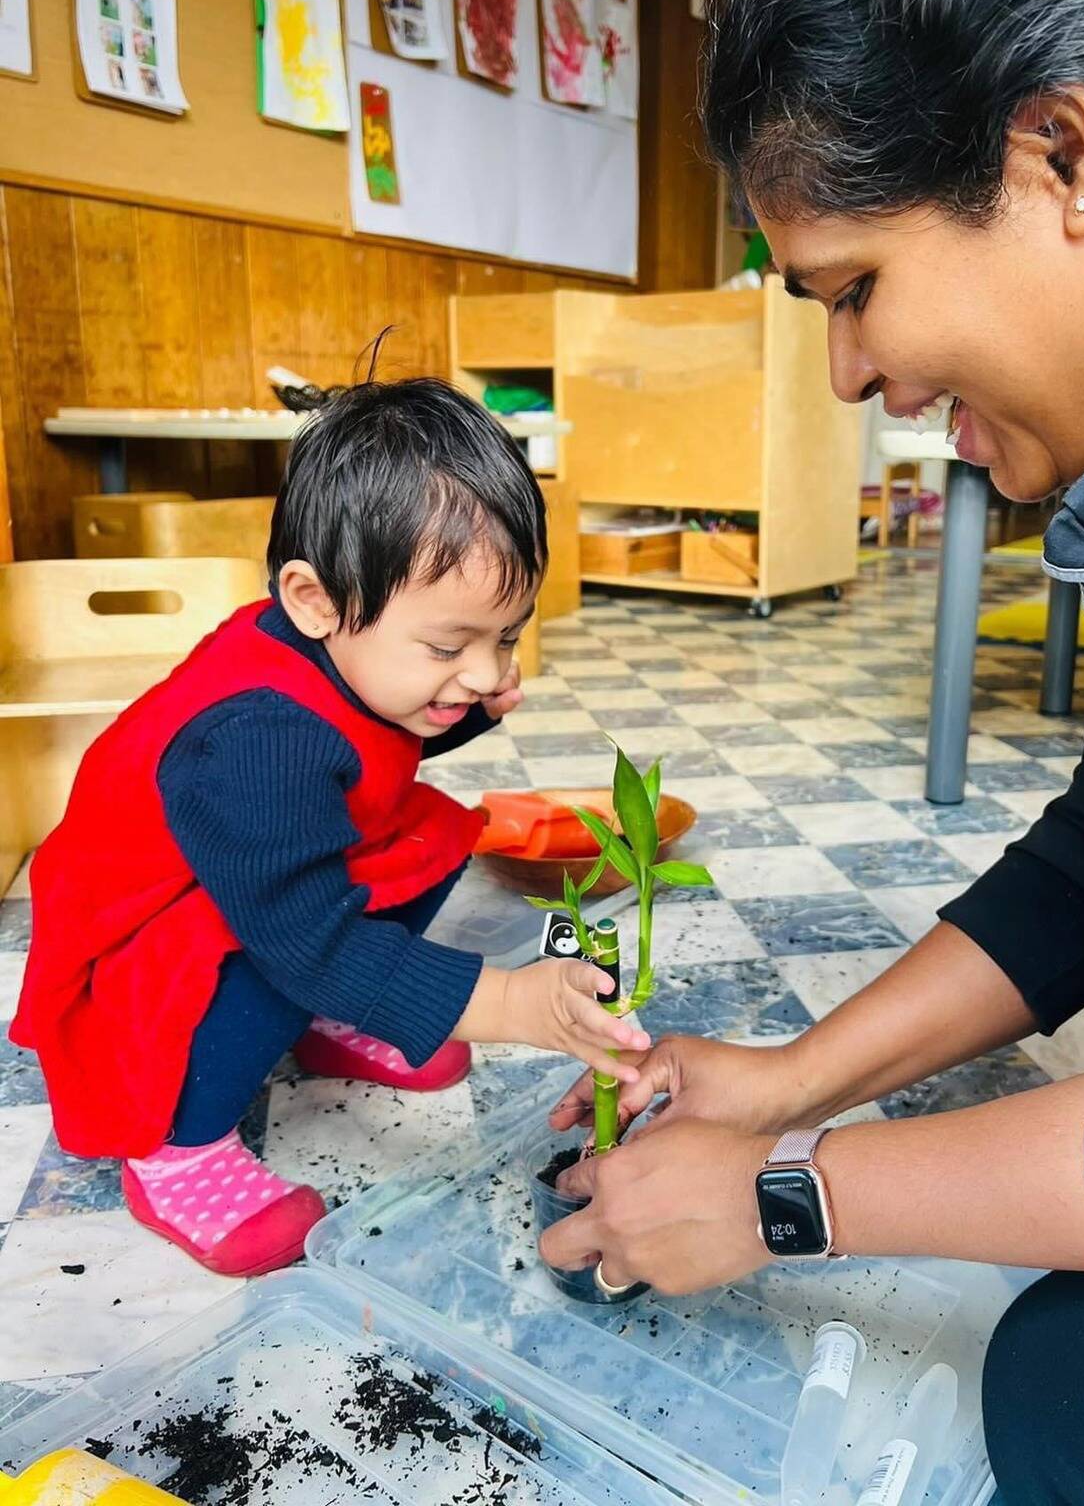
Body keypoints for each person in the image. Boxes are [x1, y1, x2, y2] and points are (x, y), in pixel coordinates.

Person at [539, 0, 1084, 1500]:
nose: (846, 374)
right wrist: (793, 1080)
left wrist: (786, 1194)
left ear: (1066, 158)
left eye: (854, 286)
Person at [13, 377, 647, 1278]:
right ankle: (175, 1152)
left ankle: (328, 1023)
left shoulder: (335, 642)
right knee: (276, 952)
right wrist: (510, 1002)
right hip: (133, 949)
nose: (482, 669)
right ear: (313, 599)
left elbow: (365, 744)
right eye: (446, 647)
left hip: (248, 883)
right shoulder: (255, 736)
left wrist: (461, 708)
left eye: (504, 638)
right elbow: (305, 936)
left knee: (422, 838)